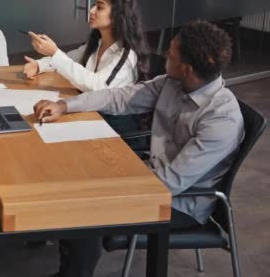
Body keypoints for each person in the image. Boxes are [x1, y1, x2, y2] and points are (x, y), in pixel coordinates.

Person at [33, 20, 244, 277]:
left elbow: (169, 183)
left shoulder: (221, 119)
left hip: (179, 202)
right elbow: (121, 97)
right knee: (75, 175)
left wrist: (109, 183)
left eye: (172, 52)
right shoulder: (174, 83)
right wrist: (66, 105)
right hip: (150, 175)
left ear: (187, 69)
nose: (165, 53)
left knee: (84, 206)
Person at [24, 0, 146, 92]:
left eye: (100, 7)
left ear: (117, 15)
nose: (91, 10)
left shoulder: (126, 55)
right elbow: (68, 59)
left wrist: (54, 52)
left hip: (110, 118)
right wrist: (39, 65)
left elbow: (97, 87)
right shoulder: (97, 44)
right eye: (94, 5)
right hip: (91, 108)